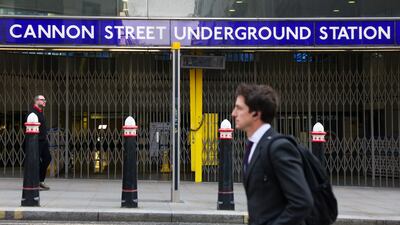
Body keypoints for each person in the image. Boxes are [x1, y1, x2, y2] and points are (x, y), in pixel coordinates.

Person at [231, 83, 313, 225]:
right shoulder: (254, 146)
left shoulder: (279, 148)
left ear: (256, 113)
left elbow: (302, 202)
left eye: (239, 108)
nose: (233, 113)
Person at [30, 95, 51, 191]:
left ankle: (41, 180)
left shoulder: (40, 112)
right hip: (36, 141)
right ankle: (35, 182)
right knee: (36, 162)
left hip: (43, 141)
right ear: (37, 100)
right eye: (43, 100)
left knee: (47, 158)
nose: (44, 102)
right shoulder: (32, 113)